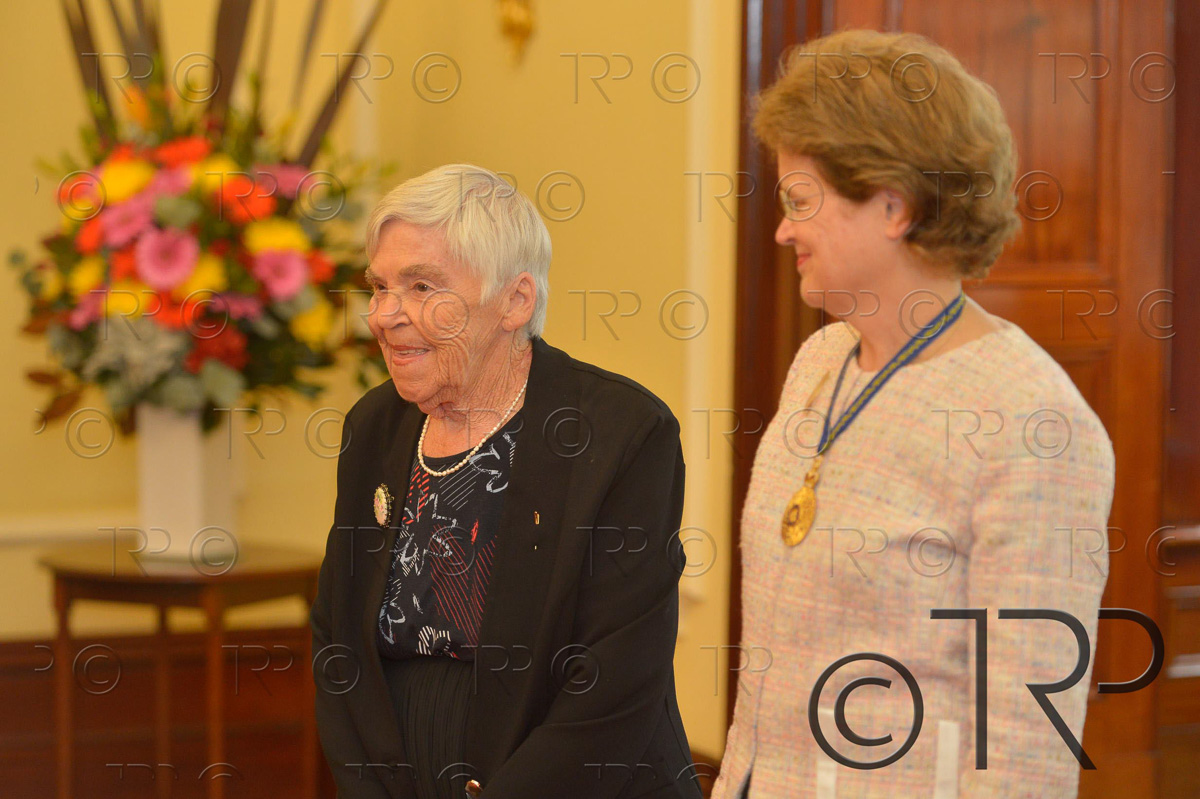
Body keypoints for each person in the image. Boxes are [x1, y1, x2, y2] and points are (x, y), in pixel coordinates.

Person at [710, 30, 1116, 798]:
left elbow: (1026, 754)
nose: (782, 228)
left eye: (801, 201)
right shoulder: (818, 362)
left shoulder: (1033, 424)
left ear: (893, 205)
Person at [310, 164, 702, 799]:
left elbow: (616, 678)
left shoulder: (618, 432)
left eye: (421, 286)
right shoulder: (374, 425)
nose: (383, 315)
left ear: (516, 301)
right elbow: (338, 638)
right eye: (379, 287)